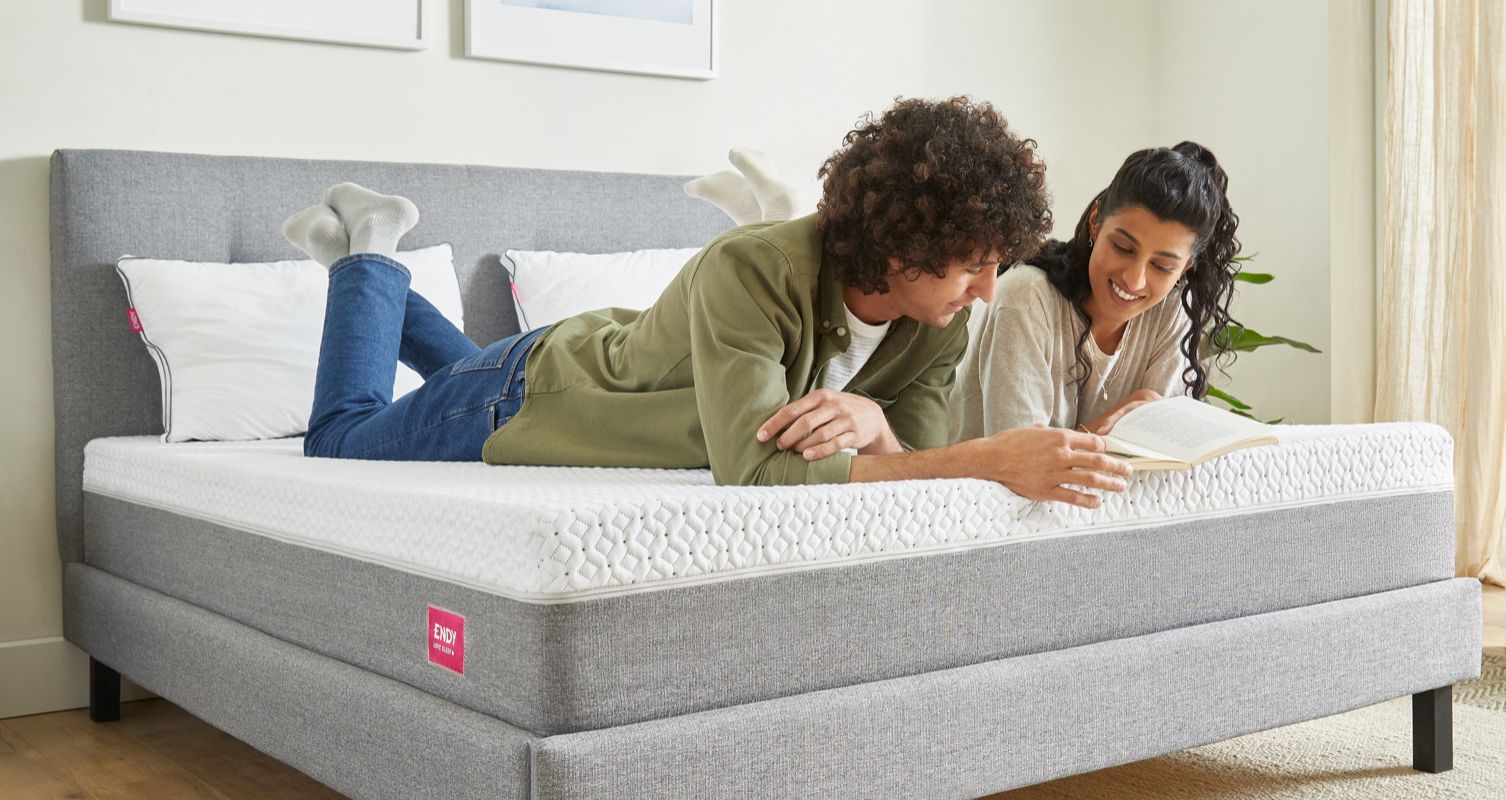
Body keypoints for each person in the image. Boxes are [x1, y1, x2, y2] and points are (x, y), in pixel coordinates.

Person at [280, 97, 1132, 507]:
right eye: (971, 266)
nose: (988, 291)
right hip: (528, 393)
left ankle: (370, 281)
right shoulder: (750, 266)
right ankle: (368, 253)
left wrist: (875, 424)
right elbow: (753, 465)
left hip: (577, 360)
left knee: (455, 377)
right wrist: (989, 459)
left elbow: (906, 458)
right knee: (339, 438)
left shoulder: (940, 317)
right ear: (902, 249)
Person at [948, 142, 1243, 441]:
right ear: (1095, 222)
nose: (1135, 279)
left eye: (1162, 266)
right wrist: (1125, 414)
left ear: (1186, 268)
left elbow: (1157, 453)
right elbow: (1021, 460)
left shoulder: (1172, 311)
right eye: (1123, 248)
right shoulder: (1026, 298)